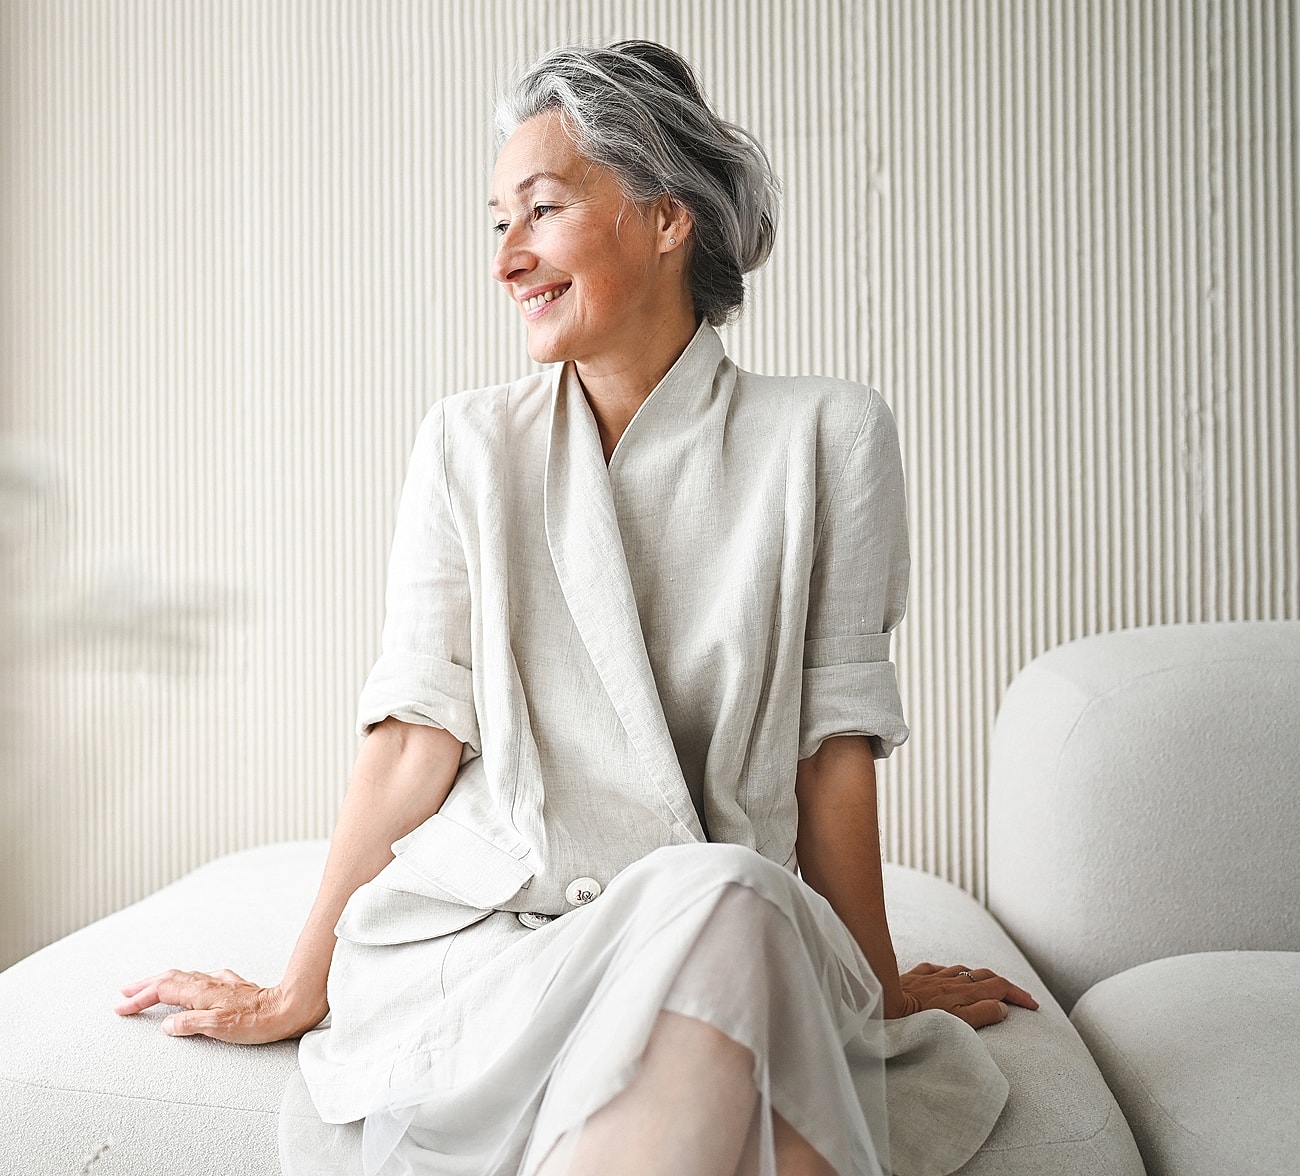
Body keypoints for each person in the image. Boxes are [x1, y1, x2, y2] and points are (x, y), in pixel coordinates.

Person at [116, 40, 1036, 1176]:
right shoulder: (467, 444)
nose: (506, 258)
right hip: (498, 946)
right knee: (741, 946)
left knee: (733, 897)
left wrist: (876, 987)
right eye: (495, 221)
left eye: (539, 210)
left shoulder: (826, 437)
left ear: (664, 219)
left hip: (722, 924)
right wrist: (299, 985)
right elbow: (415, 735)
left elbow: (831, 753)